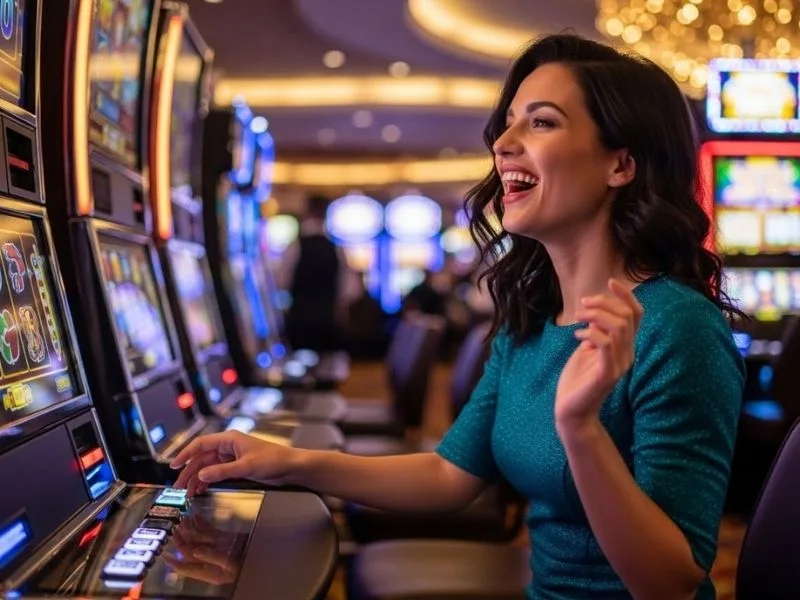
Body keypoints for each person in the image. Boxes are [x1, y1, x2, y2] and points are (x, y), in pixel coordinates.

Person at [171, 34, 745, 600]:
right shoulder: (535, 316)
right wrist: (290, 463)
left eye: (541, 122)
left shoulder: (677, 326)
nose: (503, 142)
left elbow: (669, 583)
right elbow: (450, 476)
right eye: (509, 122)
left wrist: (581, 430)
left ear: (621, 165)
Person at [277, 194, 359, 352]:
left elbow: (281, 282)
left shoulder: (294, 247)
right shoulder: (337, 250)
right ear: (325, 215)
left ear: (306, 212)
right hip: (328, 325)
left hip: (299, 324)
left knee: (298, 371)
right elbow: (352, 292)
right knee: (326, 372)